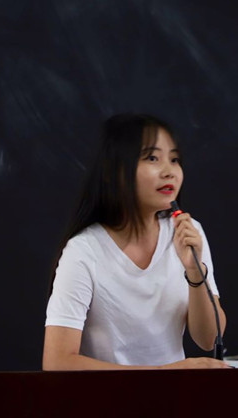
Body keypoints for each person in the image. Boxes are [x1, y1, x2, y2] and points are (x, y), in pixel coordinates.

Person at [42, 114, 228, 370]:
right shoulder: (84, 251)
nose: (169, 172)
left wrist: (195, 271)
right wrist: (163, 374)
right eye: (152, 158)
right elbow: (57, 362)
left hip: (175, 395)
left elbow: (208, 339)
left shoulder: (188, 232)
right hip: (110, 396)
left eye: (174, 160)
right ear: (115, 172)